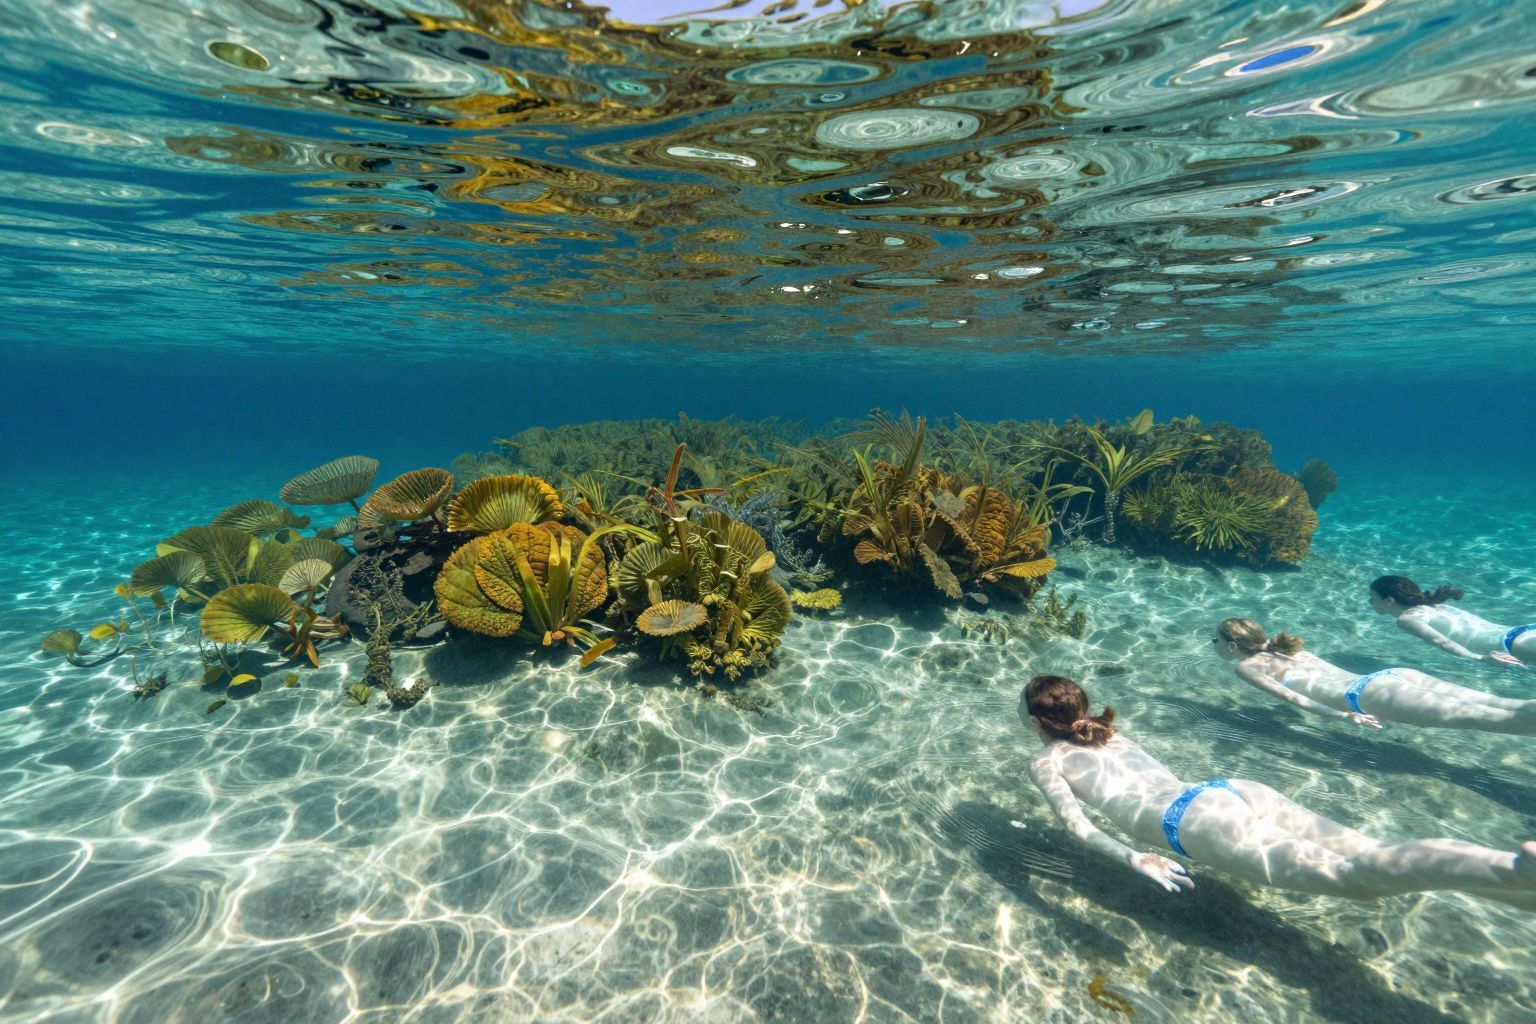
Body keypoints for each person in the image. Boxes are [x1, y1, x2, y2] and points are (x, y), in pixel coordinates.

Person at [1021, 675, 1536, 908]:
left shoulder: (1047, 761)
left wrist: (1135, 858)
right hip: (1230, 790)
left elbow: (1078, 825)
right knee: (1369, 854)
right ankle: (1521, 892)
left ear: (1034, 720)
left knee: (1355, 879)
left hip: (1192, 823)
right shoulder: (1112, 733)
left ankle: (1512, 869)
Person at [1212, 617, 1536, 735]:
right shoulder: (1285, 648)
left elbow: (1294, 698)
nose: (1214, 645)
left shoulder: (1247, 667)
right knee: (1507, 705)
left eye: (1216, 640)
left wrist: (1342, 716)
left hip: (1367, 696)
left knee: (1498, 720)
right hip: (1394, 675)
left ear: (1232, 645)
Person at [1369, 575, 1533, 667]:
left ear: (1389, 600)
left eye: (1373, 598)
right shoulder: (1434, 605)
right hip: (1521, 632)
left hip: (1511, 645)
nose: (1370, 602)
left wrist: (1480, 659)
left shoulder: (1407, 618)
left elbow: (1442, 641)